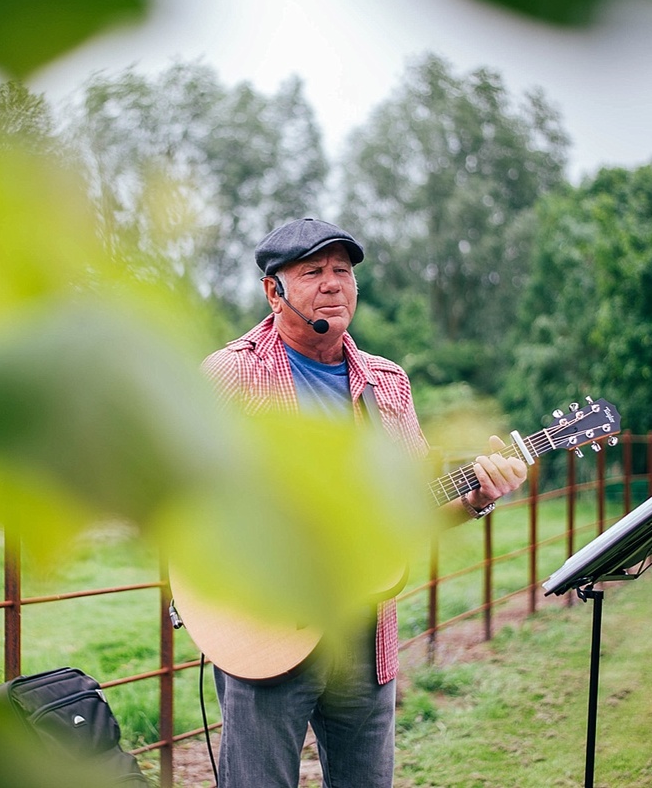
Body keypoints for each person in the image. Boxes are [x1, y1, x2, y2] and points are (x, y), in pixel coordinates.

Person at [200, 216, 531, 788]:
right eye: (313, 272)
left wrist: (476, 496)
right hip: (266, 622)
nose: (333, 284)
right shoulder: (232, 374)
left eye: (343, 271)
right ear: (272, 291)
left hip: (364, 632)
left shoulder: (386, 382)